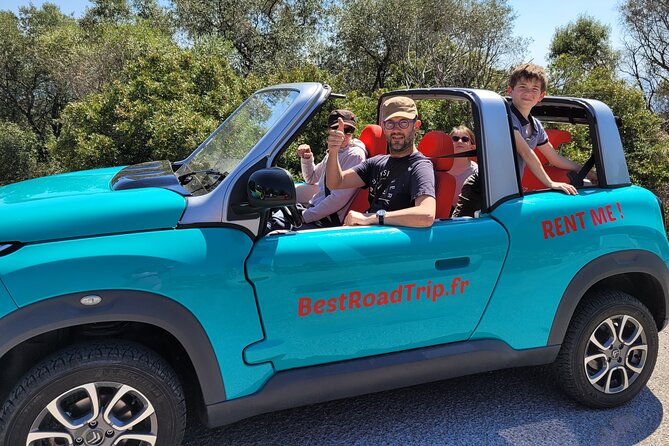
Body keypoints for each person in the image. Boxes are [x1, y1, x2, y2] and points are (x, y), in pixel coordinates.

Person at [454, 63, 588, 217]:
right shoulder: (505, 117)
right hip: (482, 187)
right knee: (461, 235)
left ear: (541, 96)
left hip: (508, 191)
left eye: (534, 89)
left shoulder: (536, 126)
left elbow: (554, 158)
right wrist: (550, 183)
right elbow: (526, 153)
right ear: (510, 90)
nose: (528, 93)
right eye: (523, 87)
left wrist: (585, 171)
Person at [325, 96, 436, 228]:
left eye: (403, 123)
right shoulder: (376, 163)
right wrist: (333, 151)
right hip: (369, 238)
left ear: (416, 125)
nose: (396, 129)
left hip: (392, 243)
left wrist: (372, 218)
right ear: (383, 127)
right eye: (390, 123)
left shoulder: (420, 167)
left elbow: (426, 216)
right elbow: (335, 182)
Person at [269, 109, 367, 231]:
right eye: (338, 129)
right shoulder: (335, 151)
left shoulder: (354, 155)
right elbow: (311, 178)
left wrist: (305, 216)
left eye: (349, 130)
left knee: (271, 228)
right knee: (269, 214)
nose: (344, 134)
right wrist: (307, 158)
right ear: (329, 131)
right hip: (314, 210)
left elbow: (338, 199)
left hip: (326, 219)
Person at [449, 126, 478, 209]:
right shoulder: (438, 169)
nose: (460, 141)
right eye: (455, 138)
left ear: (472, 147)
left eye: (465, 139)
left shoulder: (477, 172)